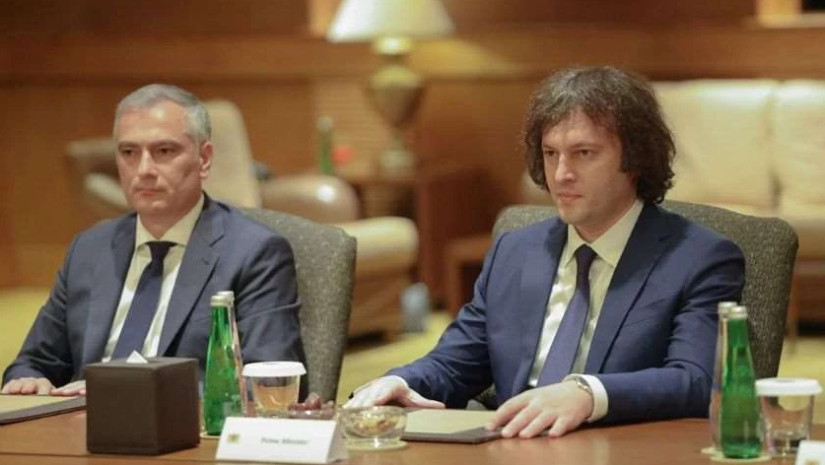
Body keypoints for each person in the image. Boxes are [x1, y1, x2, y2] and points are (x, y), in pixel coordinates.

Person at [346, 66, 745, 438]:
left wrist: (587, 394)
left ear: (635, 159)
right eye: (551, 153)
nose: (560, 174)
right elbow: (456, 362)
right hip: (511, 449)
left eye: (584, 153)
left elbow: (696, 381)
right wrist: (400, 381)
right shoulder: (515, 251)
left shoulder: (699, 259)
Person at [2, 84, 306, 396]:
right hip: (79, 422)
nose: (144, 170)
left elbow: (270, 384)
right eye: (129, 153)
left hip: (185, 425)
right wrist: (29, 380)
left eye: (164, 151)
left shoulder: (254, 253)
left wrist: (121, 392)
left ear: (204, 159)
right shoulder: (89, 249)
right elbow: (34, 362)